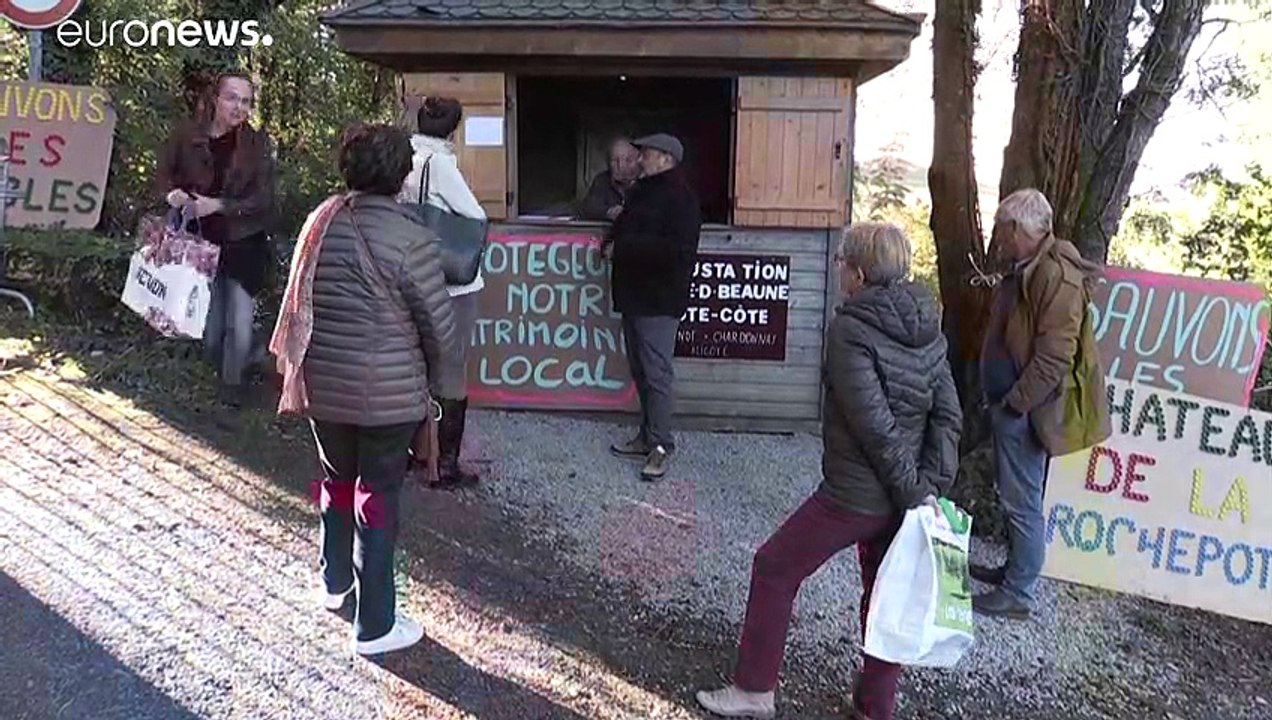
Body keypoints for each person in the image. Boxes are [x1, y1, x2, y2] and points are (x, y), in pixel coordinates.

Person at [696, 223, 963, 720]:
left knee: (775, 567)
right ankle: (874, 709)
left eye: (842, 262)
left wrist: (915, 492)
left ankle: (754, 691)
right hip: (907, 496)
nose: (837, 268)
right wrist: (930, 490)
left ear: (857, 274)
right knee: (885, 594)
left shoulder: (851, 329)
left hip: (857, 494)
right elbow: (948, 414)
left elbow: (874, 426)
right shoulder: (928, 322)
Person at [273, 124, 461, 655]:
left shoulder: (320, 220)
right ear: (402, 176)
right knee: (376, 498)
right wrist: (448, 389)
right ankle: (375, 624)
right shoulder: (411, 237)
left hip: (321, 386)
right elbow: (438, 325)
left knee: (335, 483)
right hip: (388, 396)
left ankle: (335, 583)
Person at [972, 188, 1111, 620]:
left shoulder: (1057, 277)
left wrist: (1015, 404)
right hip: (1013, 404)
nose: (1000, 238)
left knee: (1023, 501)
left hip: (1026, 411)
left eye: (1004, 229)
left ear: (1019, 229)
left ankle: (1019, 592)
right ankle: (1016, 573)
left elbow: (1055, 358)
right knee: (1018, 497)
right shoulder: (1031, 267)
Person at [156, 72, 277, 409]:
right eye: (232, 98)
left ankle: (232, 393)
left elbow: (263, 200)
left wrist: (220, 205)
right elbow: (164, 175)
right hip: (199, 245)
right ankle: (237, 364)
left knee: (238, 324)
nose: (239, 107)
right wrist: (174, 195)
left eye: (246, 101)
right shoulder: (186, 135)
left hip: (243, 243)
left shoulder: (256, 144)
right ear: (215, 99)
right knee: (210, 332)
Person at [398, 97, 487, 490]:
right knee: (451, 367)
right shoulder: (441, 164)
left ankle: (406, 452)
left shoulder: (403, 158)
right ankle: (442, 463)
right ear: (454, 129)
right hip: (453, 283)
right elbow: (475, 215)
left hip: (413, 273)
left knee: (413, 361)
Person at [606, 133, 702, 481]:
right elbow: (624, 227)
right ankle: (646, 436)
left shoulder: (680, 199)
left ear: (665, 159)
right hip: (636, 296)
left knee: (656, 374)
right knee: (642, 371)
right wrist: (610, 241)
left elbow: (677, 252)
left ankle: (661, 446)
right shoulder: (644, 192)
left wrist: (624, 250)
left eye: (645, 153)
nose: (639, 159)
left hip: (658, 299)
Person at [576, 137, 641, 222]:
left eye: (628, 160)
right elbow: (588, 208)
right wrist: (610, 212)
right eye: (615, 160)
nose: (621, 166)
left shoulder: (648, 182)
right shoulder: (602, 180)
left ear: (639, 161)